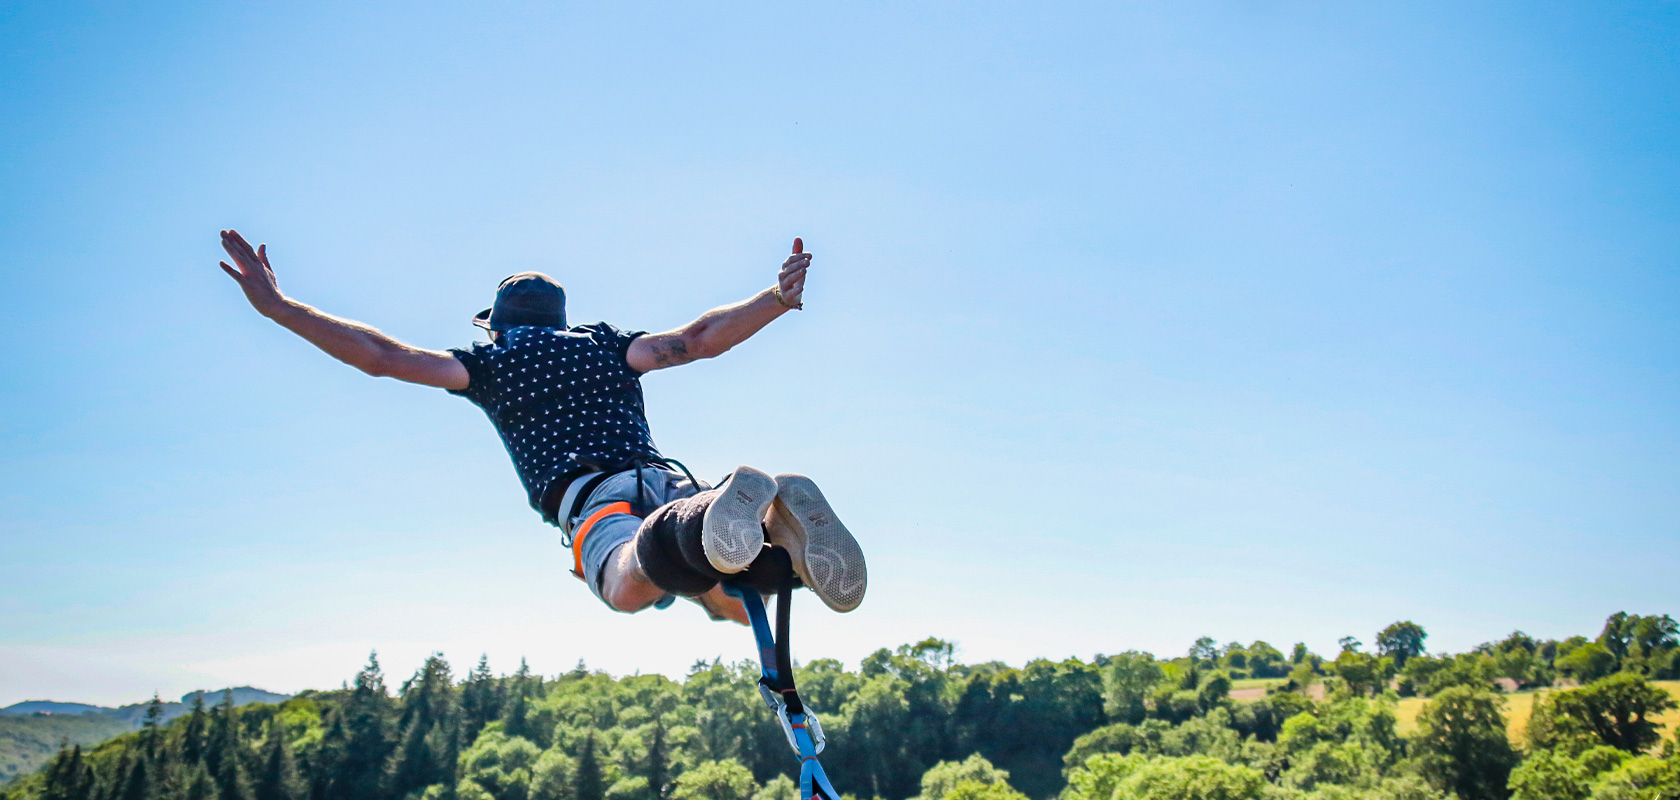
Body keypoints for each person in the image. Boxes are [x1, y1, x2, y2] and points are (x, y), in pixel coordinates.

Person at [216, 229, 866, 624]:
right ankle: (756, 533)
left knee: (622, 584)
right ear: (558, 319)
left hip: (595, 504)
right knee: (720, 591)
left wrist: (280, 309)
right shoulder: (606, 347)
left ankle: (714, 527)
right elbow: (698, 341)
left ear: (497, 323)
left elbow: (382, 358)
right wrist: (775, 300)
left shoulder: (488, 364)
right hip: (664, 482)